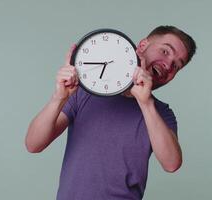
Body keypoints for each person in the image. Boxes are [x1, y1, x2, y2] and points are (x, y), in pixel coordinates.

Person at [25, 25, 196, 200]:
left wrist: (146, 104)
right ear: (143, 46)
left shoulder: (161, 113)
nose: (168, 65)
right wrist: (58, 98)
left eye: (176, 65)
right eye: (165, 52)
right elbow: (33, 144)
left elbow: (171, 164)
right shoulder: (85, 92)